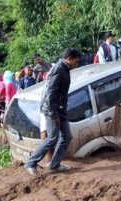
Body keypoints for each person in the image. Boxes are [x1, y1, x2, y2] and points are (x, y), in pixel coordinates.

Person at [24, 48, 81, 176]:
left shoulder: (64, 68)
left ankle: (55, 165)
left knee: (66, 136)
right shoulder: (59, 69)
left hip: (60, 108)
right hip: (53, 109)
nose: (77, 65)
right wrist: (52, 113)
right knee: (52, 138)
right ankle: (31, 163)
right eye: (76, 62)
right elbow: (50, 93)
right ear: (69, 59)